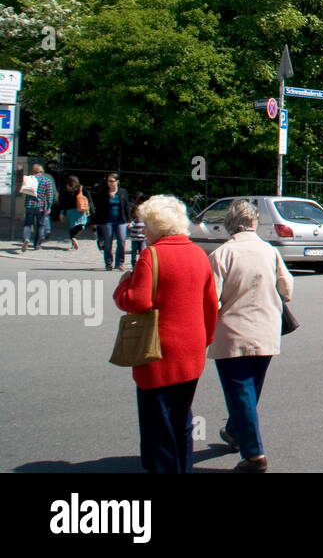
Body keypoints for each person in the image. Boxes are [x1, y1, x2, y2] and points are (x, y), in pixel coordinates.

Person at [113, 195, 219, 473]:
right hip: (191, 348)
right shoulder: (198, 254)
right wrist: (206, 339)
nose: (143, 230)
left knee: (157, 422)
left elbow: (137, 301)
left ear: (157, 226)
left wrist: (122, 287)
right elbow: (210, 304)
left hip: (158, 350)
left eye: (145, 224)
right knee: (182, 418)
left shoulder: (152, 255)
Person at [207, 199, 293, 472]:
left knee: (239, 389)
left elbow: (211, 299)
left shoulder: (221, 254)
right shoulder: (269, 251)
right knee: (250, 389)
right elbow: (287, 289)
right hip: (267, 329)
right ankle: (235, 431)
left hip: (233, 332)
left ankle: (255, 454)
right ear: (254, 222)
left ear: (229, 224)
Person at [93, 173, 133, 271]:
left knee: (122, 241)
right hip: (107, 221)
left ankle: (120, 263)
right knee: (108, 242)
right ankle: (108, 263)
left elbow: (126, 206)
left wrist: (129, 220)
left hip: (121, 220)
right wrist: (95, 222)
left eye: (112, 181)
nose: (109, 183)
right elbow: (99, 208)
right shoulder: (103, 192)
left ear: (117, 182)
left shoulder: (123, 192)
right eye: (108, 181)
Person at [22, 164, 57, 252]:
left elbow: (25, 191)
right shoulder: (46, 180)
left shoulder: (29, 179)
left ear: (33, 170)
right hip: (41, 206)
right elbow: (49, 196)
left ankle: (26, 238)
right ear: (41, 170)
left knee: (28, 224)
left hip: (30, 205)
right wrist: (49, 207)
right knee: (40, 225)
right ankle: (37, 245)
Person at [59, 174, 91, 251]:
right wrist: (88, 209)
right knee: (81, 224)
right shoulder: (82, 189)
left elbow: (63, 203)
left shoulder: (67, 191)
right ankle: (77, 233)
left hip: (70, 211)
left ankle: (73, 241)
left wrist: (62, 213)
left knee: (72, 227)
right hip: (81, 210)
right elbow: (88, 199)